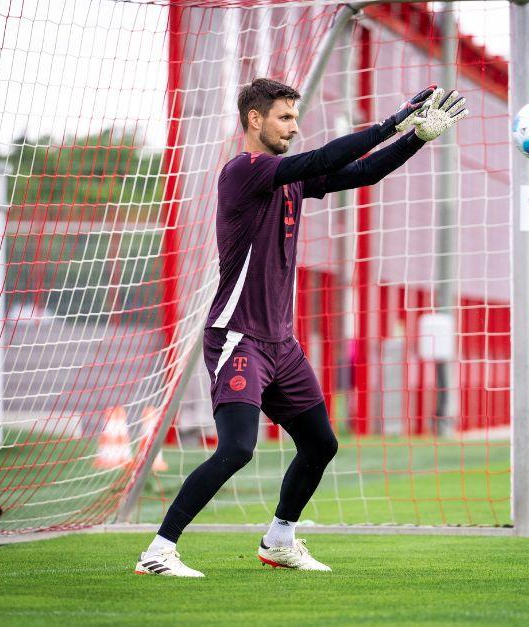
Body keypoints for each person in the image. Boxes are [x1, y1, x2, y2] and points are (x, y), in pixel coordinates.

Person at [135, 78, 468, 576]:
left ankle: (279, 540)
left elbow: (364, 173)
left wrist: (416, 138)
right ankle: (158, 551)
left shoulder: (288, 178)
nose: (294, 126)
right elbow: (322, 158)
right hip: (238, 337)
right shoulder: (244, 171)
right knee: (237, 449)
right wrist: (393, 121)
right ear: (255, 119)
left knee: (320, 445)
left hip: (281, 345)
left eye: (295, 117)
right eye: (285, 117)